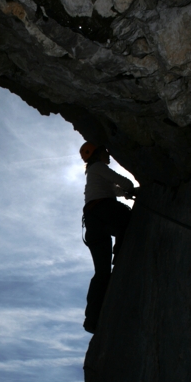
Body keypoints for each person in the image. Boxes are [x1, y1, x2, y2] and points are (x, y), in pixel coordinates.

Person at [80, 142, 135, 334]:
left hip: (92, 221)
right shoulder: (99, 167)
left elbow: (113, 189)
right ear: (98, 154)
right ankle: (120, 254)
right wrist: (132, 190)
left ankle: (92, 319)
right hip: (105, 210)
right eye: (105, 151)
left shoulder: (94, 173)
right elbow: (124, 183)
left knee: (102, 273)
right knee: (129, 221)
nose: (108, 154)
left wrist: (125, 192)